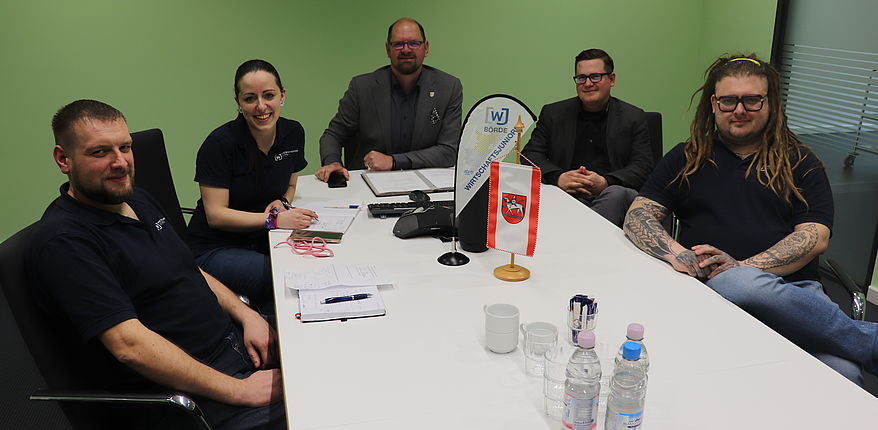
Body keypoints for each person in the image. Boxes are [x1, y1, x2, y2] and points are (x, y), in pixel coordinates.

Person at [27, 99, 285, 429]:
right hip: (193, 396)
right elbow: (129, 346)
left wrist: (248, 316)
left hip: (237, 347)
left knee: (342, 353)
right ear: (64, 159)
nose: (120, 162)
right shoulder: (64, 241)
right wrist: (242, 391)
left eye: (125, 147)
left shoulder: (136, 198)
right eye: (100, 152)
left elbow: (190, 270)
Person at [623, 54, 877, 385]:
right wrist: (677, 254)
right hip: (706, 290)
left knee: (844, 375)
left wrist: (742, 268)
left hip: (794, 292)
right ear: (714, 104)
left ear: (769, 103)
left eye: (752, 100)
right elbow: (638, 214)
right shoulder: (688, 156)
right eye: (729, 101)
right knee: (732, 284)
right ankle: (869, 341)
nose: (739, 110)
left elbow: (815, 236)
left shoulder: (800, 161)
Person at [187, 59, 317, 313]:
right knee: (281, 277)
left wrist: (283, 202)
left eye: (269, 95)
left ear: (282, 95)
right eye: (250, 98)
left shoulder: (293, 132)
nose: (261, 106)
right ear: (238, 102)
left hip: (262, 240)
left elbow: (291, 183)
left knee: (306, 267)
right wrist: (273, 221)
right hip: (214, 248)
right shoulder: (220, 144)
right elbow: (216, 215)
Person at [315, 17, 463, 181]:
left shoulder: (448, 87)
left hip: (425, 182)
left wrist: (394, 161)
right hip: (368, 183)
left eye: (414, 43)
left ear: (426, 48)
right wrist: (333, 162)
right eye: (398, 44)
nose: (406, 49)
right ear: (387, 49)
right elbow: (333, 135)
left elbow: (449, 150)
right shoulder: (362, 87)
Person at [522, 49, 653, 227]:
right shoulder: (554, 113)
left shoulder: (634, 117)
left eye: (595, 77)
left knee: (616, 194)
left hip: (612, 195)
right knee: (547, 194)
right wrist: (558, 177)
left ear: (612, 79)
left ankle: (583, 240)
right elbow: (529, 155)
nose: (588, 83)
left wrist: (607, 181)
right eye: (581, 78)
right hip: (566, 194)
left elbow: (643, 166)